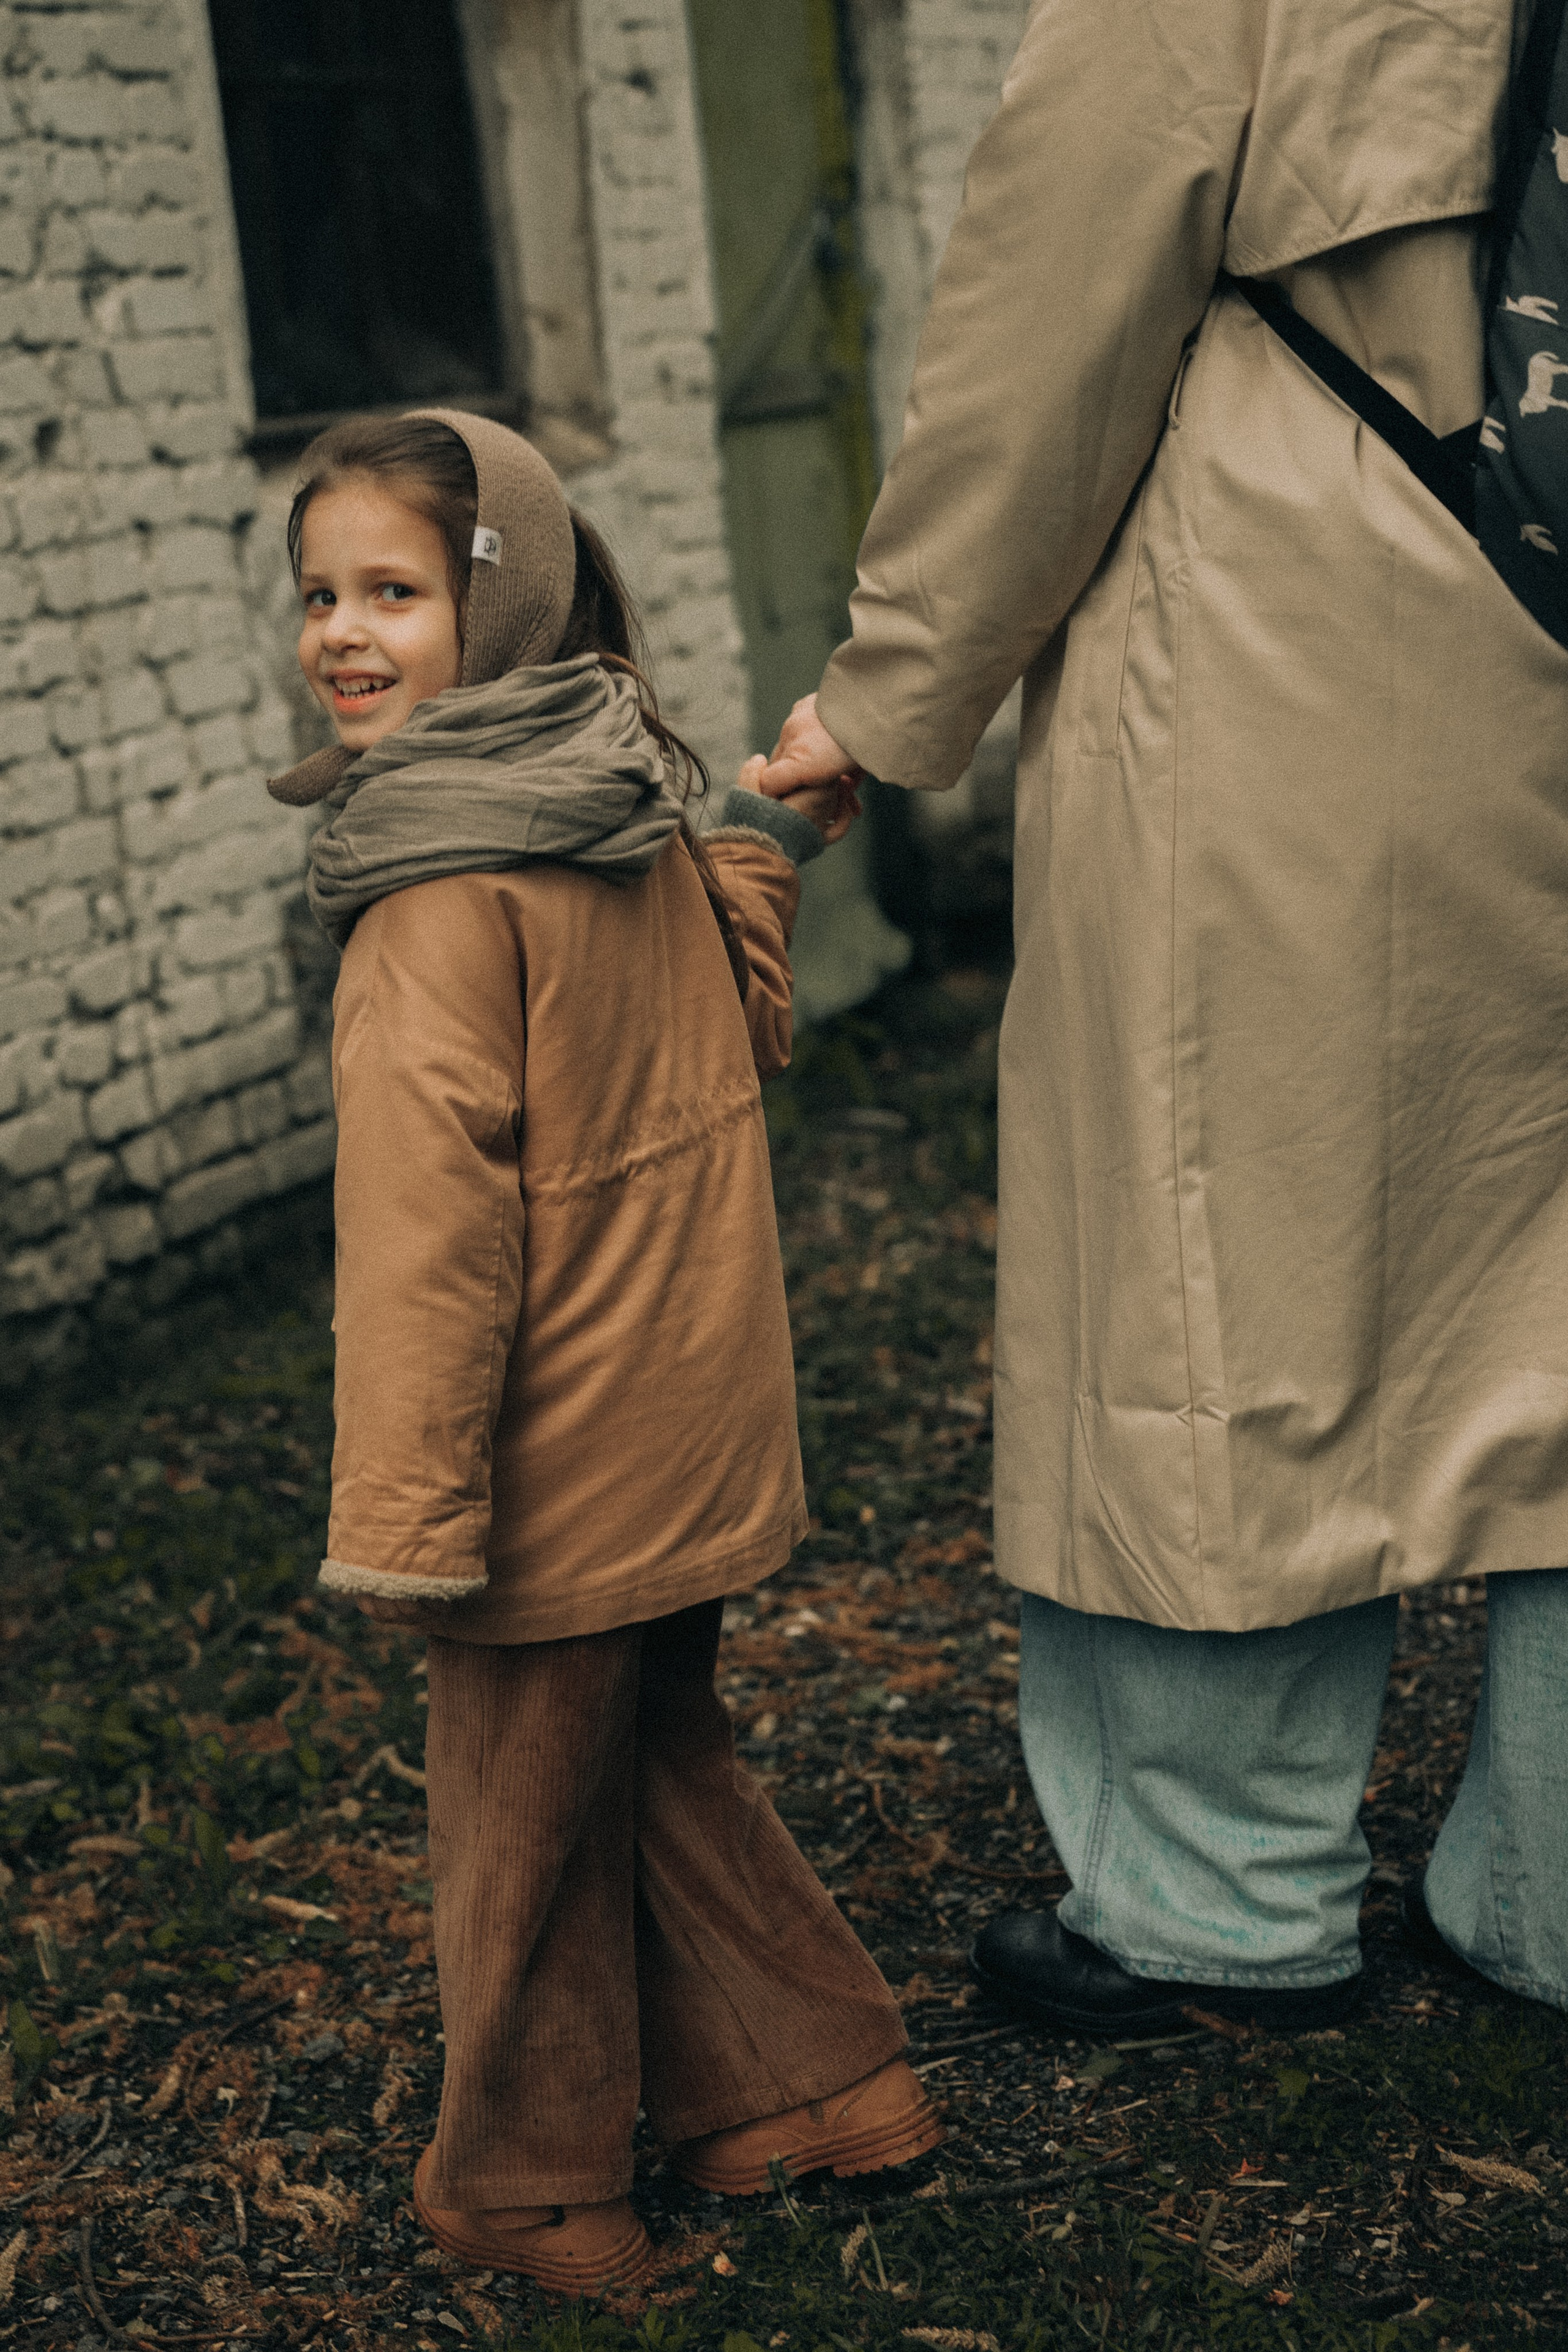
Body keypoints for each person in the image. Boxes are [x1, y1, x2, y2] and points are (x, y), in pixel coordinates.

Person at [753, 0, 1568, 2028]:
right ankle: (1549, 1898)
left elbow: (1060, 294)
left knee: (1233, 1253)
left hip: (1316, 642)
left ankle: (1221, 1893)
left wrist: (892, 690)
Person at [267, 409, 941, 2294]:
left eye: (393, 592)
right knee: (650, 1760)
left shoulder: (437, 894)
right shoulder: (616, 808)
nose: (341, 632)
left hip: (550, 1469)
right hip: (689, 1429)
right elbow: (739, 1019)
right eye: (319, 595)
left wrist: (409, 1516)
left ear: (508, 608)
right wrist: (758, 842)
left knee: (522, 1830)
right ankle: (818, 2086)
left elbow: (430, 1247)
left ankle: (532, 2179)